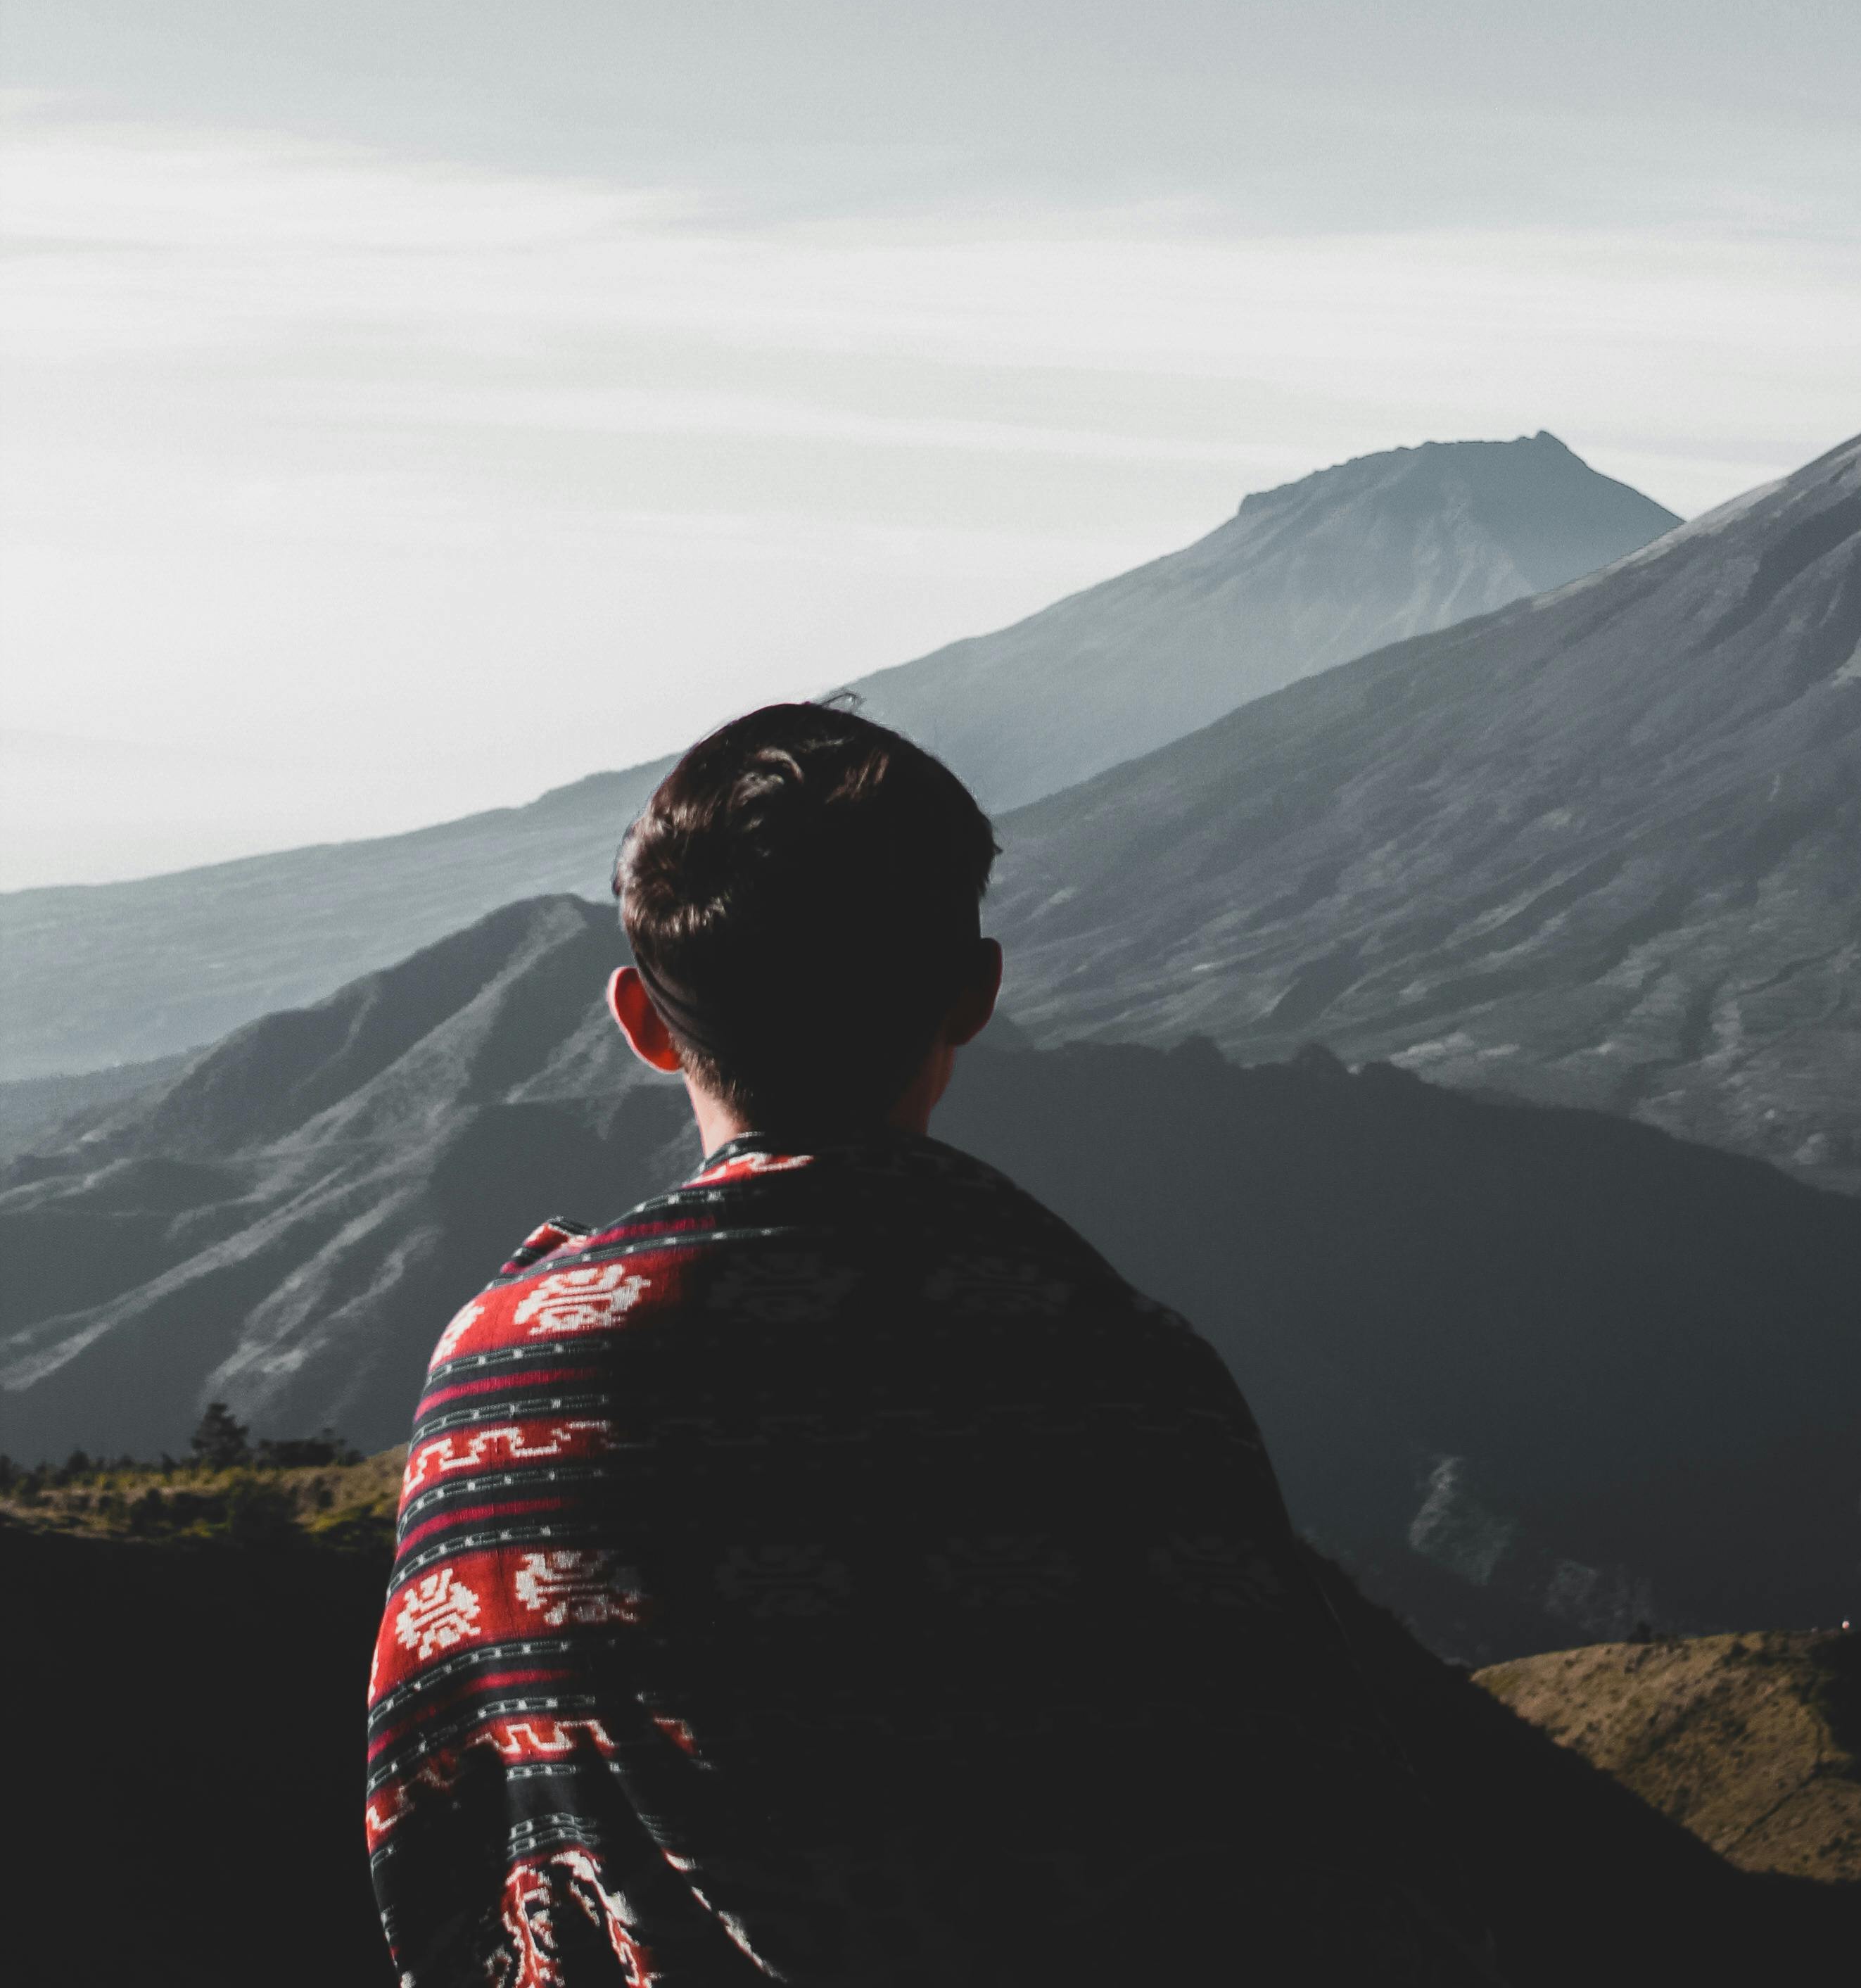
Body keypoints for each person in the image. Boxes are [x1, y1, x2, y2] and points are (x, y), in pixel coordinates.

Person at [366, 700, 1494, 1985]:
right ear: (975, 996)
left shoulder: (501, 1376)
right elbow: (1322, 1855)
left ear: (642, 1020)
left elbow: (437, 1847)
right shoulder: (1120, 1376)